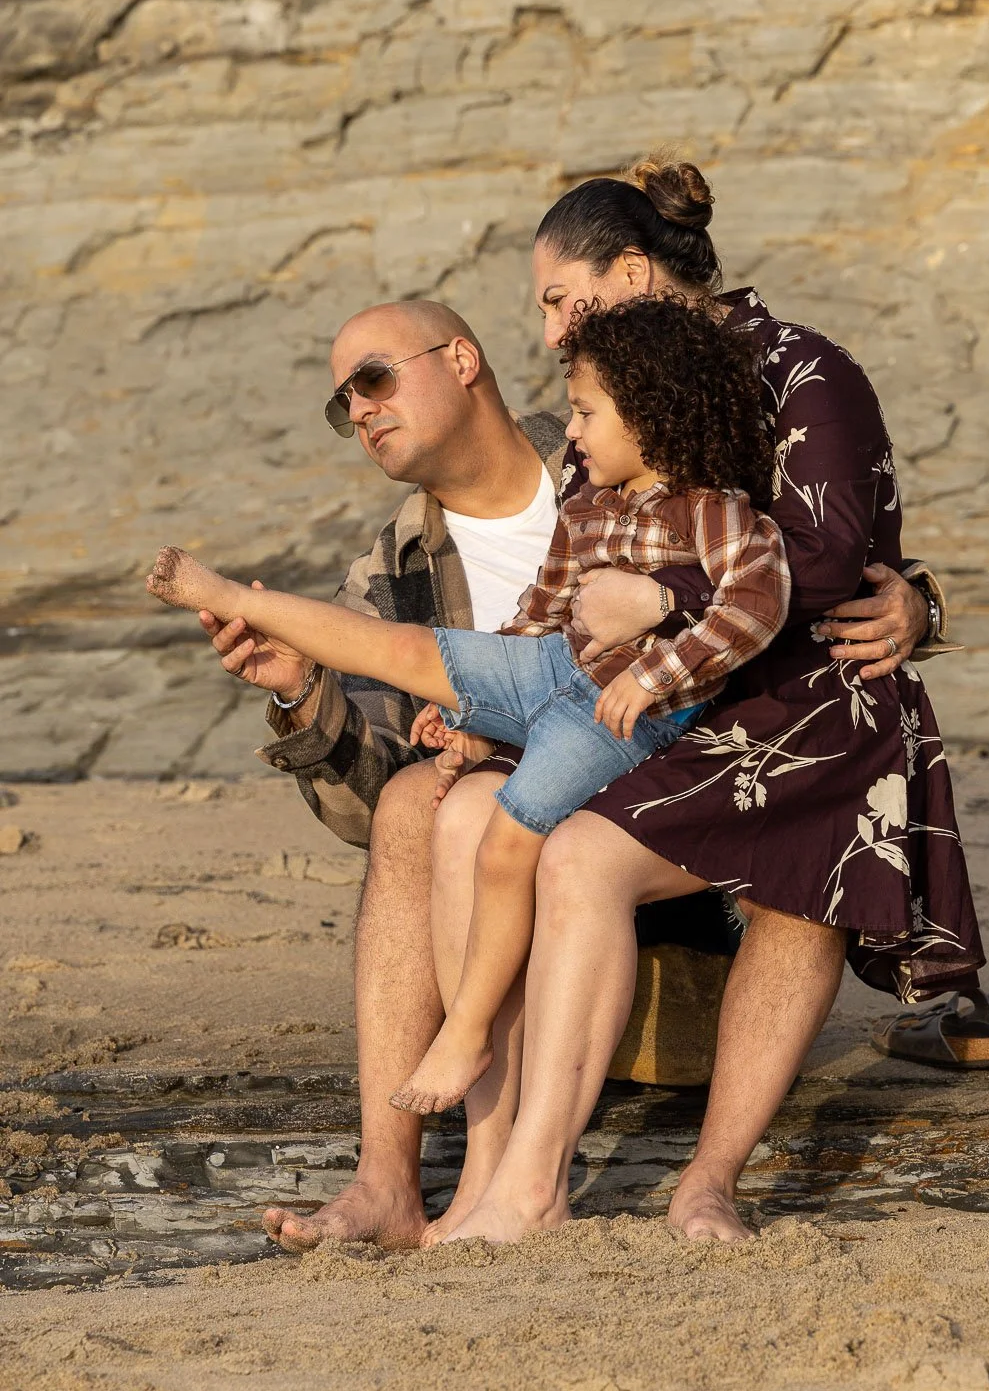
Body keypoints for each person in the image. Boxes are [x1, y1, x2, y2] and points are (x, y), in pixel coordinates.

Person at [394, 155, 984, 1246]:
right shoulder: (608, 394)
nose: (559, 332)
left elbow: (826, 553)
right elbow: (568, 587)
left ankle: (689, 1180)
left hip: (807, 703)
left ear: (634, 271)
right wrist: (496, 707)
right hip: (664, 707)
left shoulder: (808, 373)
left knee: (643, 859)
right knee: (469, 812)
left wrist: (663, 599)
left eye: (568, 301)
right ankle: (497, 1173)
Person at [147, 294, 792, 1116]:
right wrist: (305, 692)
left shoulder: (609, 437)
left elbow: (776, 564)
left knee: (468, 799)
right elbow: (365, 814)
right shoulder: (384, 579)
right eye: (343, 402)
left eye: (374, 378)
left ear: (461, 360)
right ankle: (388, 1177)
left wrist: (914, 604)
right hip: (519, 845)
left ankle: (502, 1061)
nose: (360, 409)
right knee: (420, 797)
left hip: (688, 835)